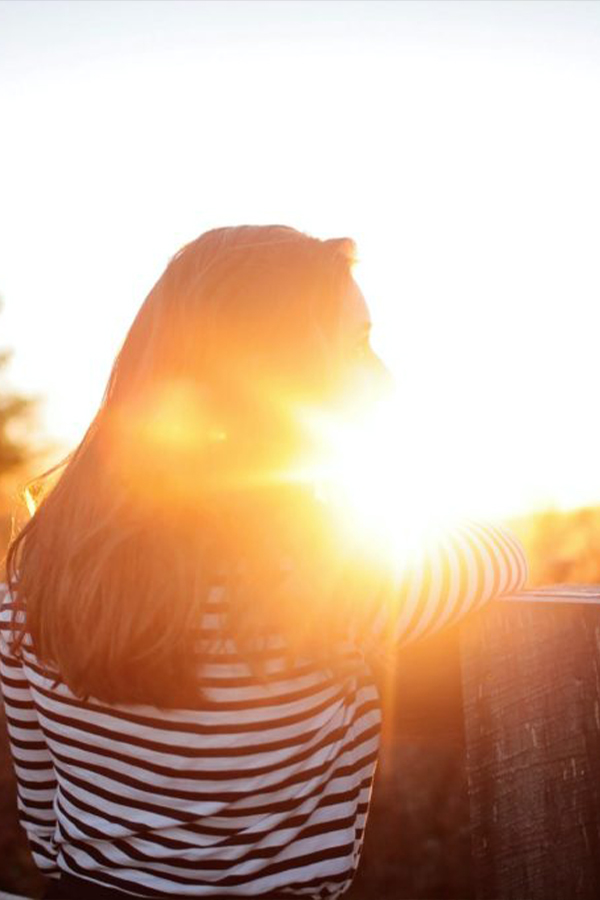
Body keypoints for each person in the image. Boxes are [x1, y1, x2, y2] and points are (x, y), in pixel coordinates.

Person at [0, 225, 528, 900]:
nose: (385, 376)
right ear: (279, 373)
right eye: (360, 344)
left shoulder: (37, 568)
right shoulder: (330, 577)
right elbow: (502, 553)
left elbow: (42, 808)